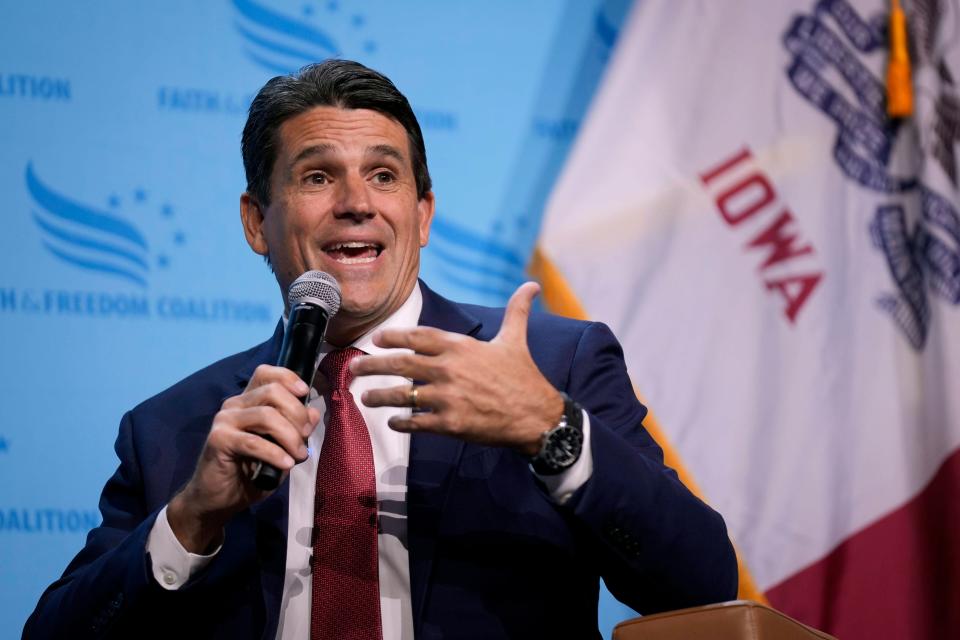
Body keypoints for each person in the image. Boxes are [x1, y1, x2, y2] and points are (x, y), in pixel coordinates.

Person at [24, 60, 737, 640]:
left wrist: (550, 429)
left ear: (422, 216)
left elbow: (701, 581)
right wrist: (192, 518)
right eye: (316, 176)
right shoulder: (174, 431)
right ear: (256, 223)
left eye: (385, 175)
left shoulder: (555, 366)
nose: (356, 202)